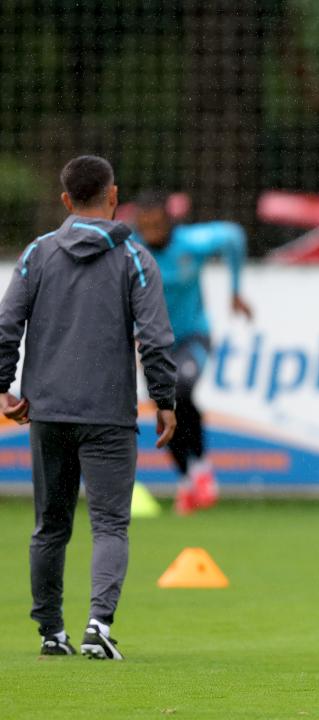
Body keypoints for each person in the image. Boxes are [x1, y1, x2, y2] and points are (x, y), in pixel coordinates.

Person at [0, 155, 177, 659]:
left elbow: (7, 325)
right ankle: (98, 625)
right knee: (110, 524)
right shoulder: (134, 258)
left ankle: (50, 632)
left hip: (48, 411)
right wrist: (164, 399)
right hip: (108, 415)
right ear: (114, 196)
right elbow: (155, 339)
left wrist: (2, 387)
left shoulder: (37, 254)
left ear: (65, 200)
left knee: (49, 526)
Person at [132, 192, 253, 515]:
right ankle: (187, 481)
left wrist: (236, 289)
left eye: (157, 224)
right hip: (153, 343)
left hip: (192, 336)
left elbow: (234, 237)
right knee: (163, 408)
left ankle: (200, 468)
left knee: (180, 389)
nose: (151, 231)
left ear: (169, 220)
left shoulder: (190, 243)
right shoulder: (132, 250)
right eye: (145, 225)